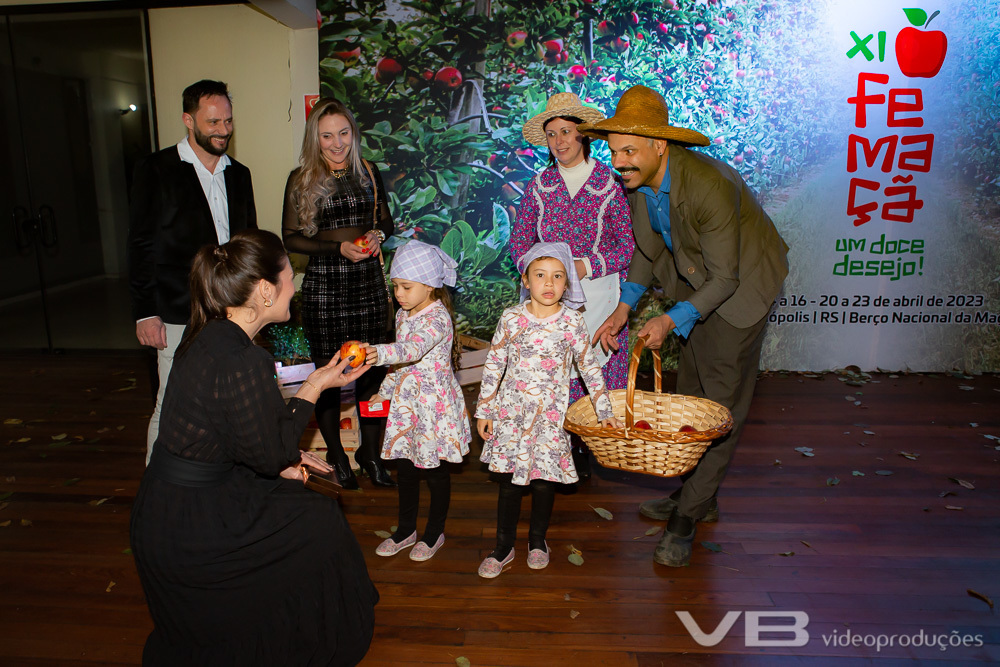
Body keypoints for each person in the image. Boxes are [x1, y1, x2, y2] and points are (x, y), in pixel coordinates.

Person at [130, 229, 379, 666]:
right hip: (195, 521)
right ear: (265, 291)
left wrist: (284, 454)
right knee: (319, 521)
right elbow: (272, 452)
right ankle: (305, 640)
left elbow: (235, 433)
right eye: (288, 277)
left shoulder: (208, 333)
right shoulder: (246, 360)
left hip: (165, 504)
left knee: (306, 504)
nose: (293, 287)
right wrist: (316, 386)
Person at [581, 85, 790, 568]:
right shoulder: (638, 184)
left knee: (719, 409)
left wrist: (670, 319)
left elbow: (726, 278)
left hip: (738, 293)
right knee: (692, 398)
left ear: (661, 146)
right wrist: (623, 309)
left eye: (629, 151)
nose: (620, 162)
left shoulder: (709, 185)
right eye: (613, 152)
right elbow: (645, 251)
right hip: (697, 286)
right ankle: (699, 495)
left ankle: (686, 519)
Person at [128, 79, 257, 465]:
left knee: (230, 401)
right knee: (170, 402)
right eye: (213, 122)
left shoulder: (240, 173)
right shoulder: (156, 169)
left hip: (231, 310)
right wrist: (145, 311)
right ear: (188, 119)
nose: (223, 130)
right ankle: (157, 490)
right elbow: (140, 245)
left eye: (228, 122)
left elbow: (246, 243)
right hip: (176, 309)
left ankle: (220, 480)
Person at [474, 242, 620, 578]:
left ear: (568, 284)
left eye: (558, 276)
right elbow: (495, 362)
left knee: (544, 482)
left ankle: (537, 541)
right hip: (512, 416)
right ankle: (503, 546)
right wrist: (485, 409)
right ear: (526, 280)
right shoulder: (511, 318)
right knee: (509, 483)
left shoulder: (572, 321)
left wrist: (604, 408)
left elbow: (589, 366)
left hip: (550, 418)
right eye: (541, 275)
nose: (549, 283)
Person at [509, 92, 635, 480]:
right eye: (551, 134)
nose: (559, 140)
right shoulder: (539, 186)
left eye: (566, 131)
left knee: (595, 369)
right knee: (553, 373)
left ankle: (595, 445)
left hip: (599, 295)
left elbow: (626, 246)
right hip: (550, 300)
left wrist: (585, 264)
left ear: (583, 135)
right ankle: (555, 445)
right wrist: (538, 272)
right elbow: (517, 243)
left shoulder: (609, 184)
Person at [282, 98, 395, 489]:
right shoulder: (301, 178)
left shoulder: (368, 171)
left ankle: (371, 453)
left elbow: (386, 221)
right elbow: (290, 237)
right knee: (329, 376)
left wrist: (377, 235)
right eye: (327, 135)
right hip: (324, 290)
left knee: (371, 377)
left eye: (343, 133)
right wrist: (338, 249)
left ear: (353, 133)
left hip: (367, 287)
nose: (336, 143)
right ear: (316, 137)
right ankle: (335, 453)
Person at [361, 240, 471, 561]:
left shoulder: (437, 319)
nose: (399, 293)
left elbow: (413, 349)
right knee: (405, 469)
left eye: (406, 287)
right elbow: (402, 363)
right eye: (395, 286)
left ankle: (434, 532)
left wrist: (377, 352)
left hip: (432, 408)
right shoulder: (403, 314)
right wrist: (385, 389)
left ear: (430, 286)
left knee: (435, 472)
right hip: (406, 405)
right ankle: (406, 530)